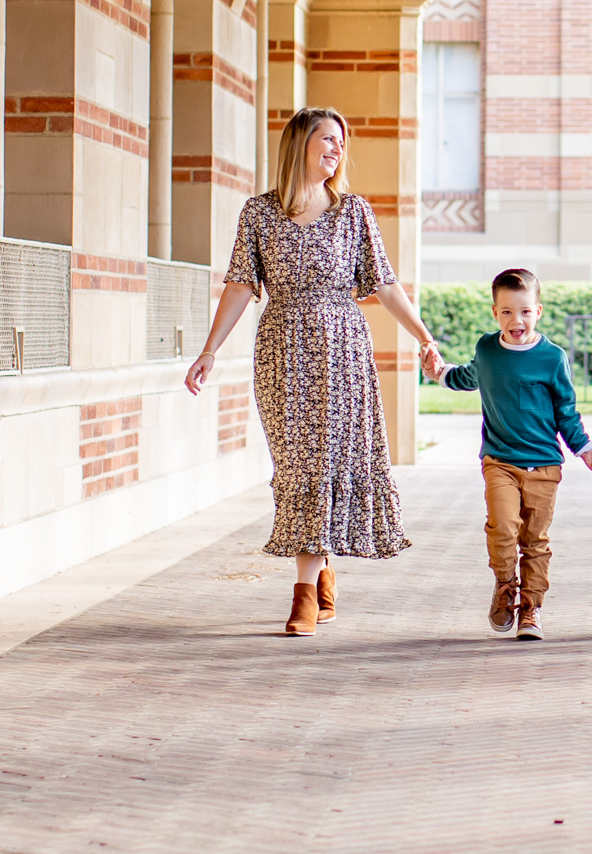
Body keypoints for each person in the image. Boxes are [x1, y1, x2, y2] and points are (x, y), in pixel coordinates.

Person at [184, 107, 443, 637]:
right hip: (282, 351)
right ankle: (320, 563)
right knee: (297, 465)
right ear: (300, 143)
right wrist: (210, 349)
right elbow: (239, 285)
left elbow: (385, 284)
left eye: (341, 143)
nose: (337, 150)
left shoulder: (354, 212)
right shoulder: (258, 213)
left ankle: (304, 589)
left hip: (343, 353)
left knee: (325, 462)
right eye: (328, 140)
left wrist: (424, 338)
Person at [430, 269, 592, 641]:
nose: (516, 320)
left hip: (544, 464)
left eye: (524, 311)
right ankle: (506, 585)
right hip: (500, 460)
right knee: (503, 527)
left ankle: (531, 608)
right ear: (495, 313)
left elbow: (566, 412)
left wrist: (585, 450)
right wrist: (440, 373)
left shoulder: (552, 358)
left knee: (535, 540)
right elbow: (470, 376)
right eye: (506, 312)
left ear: (538, 311)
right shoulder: (488, 349)